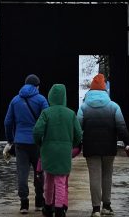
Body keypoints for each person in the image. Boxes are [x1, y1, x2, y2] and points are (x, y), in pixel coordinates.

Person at [78, 73, 129, 216]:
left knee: (94, 177)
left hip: (91, 147)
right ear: (104, 90)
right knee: (107, 175)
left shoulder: (84, 107)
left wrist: (76, 143)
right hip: (109, 146)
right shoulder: (113, 106)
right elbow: (121, 127)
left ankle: (96, 208)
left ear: (91, 90)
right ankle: (107, 206)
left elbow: (78, 127)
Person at [33, 83, 82, 217]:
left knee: (48, 180)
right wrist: (72, 145)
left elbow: (37, 131)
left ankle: (48, 207)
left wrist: (40, 143)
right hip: (64, 152)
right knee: (60, 181)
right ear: (64, 97)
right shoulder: (71, 114)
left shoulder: (46, 113)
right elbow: (78, 135)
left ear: (50, 97)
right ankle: (59, 209)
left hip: (48, 151)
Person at [4, 73, 49, 214]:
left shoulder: (15, 100)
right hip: (37, 143)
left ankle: (24, 203)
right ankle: (39, 201)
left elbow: (7, 122)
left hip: (20, 143)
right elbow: (47, 120)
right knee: (39, 172)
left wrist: (11, 139)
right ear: (37, 86)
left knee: (22, 173)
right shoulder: (41, 100)